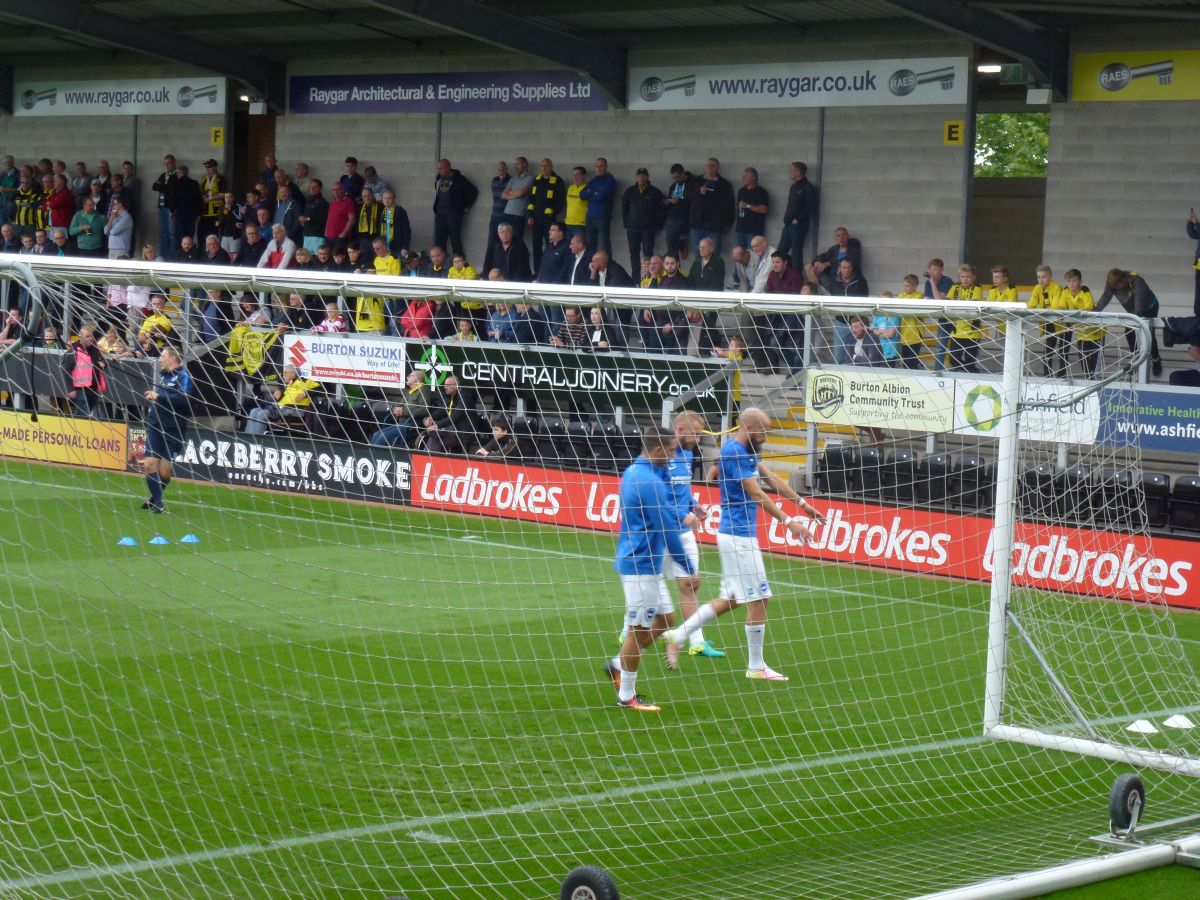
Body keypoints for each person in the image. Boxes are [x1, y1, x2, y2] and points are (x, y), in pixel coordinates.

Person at [666, 409, 822, 681]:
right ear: (750, 428)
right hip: (738, 537)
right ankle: (756, 666)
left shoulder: (748, 450)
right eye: (763, 432)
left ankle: (679, 635)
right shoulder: (734, 453)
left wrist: (804, 505)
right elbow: (757, 493)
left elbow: (771, 479)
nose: (765, 437)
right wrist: (789, 522)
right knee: (760, 599)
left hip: (739, 535)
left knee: (732, 599)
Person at [609, 424, 698, 712]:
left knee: (667, 619)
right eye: (671, 451)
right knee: (637, 631)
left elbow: (668, 512)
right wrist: (687, 565)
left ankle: (616, 665)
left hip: (646, 563)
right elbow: (668, 529)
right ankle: (627, 696)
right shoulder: (648, 481)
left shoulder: (637, 472)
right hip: (641, 564)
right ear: (658, 449)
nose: (674, 457)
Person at [141, 347, 191, 514]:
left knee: (164, 472)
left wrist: (159, 397)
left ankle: (155, 496)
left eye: (163, 356)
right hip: (155, 425)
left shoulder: (184, 377)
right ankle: (159, 503)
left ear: (173, 359)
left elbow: (183, 400)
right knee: (149, 464)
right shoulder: (163, 375)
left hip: (174, 429)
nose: (159, 359)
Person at [1097, 268, 1162, 376]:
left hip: (1149, 307)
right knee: (1129, 332)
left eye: (1117, 286)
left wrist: (1135, 318)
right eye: (1113, 286)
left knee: (1149, 334)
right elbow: (1106, 297)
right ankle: (1136, 359)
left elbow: (1139, 302)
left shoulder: (1137, 281)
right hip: (1132, 309)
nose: (1115, 288)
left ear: (1123, 280)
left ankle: (1156, 359)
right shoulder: (1111, 284)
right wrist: (1096, 310)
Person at [246, 365, 319, 434]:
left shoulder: (305, 382)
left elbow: (321, 389)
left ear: (293, 374)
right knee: (254, 411)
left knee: (262, 414)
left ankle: (257, 439)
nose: (283, 375)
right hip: (279, 409)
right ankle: (248, 437)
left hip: (292, 412)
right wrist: (280, 394)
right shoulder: (288, 384)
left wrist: (304, 394)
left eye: (285, 373)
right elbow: (285, 399)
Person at [1062, 269, 1105, 379]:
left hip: (1095, 332)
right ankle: (1088, 382)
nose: (1071, 283)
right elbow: (1061, 308)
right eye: (1069, 281)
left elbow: (1088, 309)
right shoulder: (1065, 292)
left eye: (1074, 281)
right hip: (1081, 333)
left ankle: (1093, 384)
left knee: (1094, 364)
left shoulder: (1085, 291)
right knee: (1083, 359)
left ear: (1080, 282)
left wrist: (1072, 316)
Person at [621, 167, 663, 277]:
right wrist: (626, 223)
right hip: (633, 228)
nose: (641, 178)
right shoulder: (630, 191)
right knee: (634, 254)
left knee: (648, 253)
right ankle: (635, 277)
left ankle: (648, 276)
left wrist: (658, 224)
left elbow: (662, 209)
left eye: (643, 175)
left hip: (648, 228)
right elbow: (624, 208)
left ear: (647, 177)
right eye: (639, 175)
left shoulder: (654, 191)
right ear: (636, 177)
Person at [689, 157, 735, 256]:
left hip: (715, 225)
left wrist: (727, 223)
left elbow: (730, 205)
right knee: (698, 255)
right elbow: (686, 196)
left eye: (713, 166)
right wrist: (698, 191)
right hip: (697, 224)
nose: (710, 167)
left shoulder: (724, 184)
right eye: (708, 165)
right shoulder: (696, 181)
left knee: (714, 256)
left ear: (717, 168)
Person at [1026, 264, 1064, 378]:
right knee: (1048, 350)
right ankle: (1047, 374)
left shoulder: (1056, 287)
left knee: (1063, 351)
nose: (1041, 280)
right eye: (1038, 277)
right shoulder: (1037, 288)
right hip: (1048, 323)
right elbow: (1031, 304)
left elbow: (1055, 307)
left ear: (1050, 276)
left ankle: (1063, 374)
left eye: (1043, 277)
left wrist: (1041, 311)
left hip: (1061, 323)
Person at [433, 158, 477, 257]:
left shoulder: (459, 179)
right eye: (438, 169)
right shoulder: (439, 179)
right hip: (440, 213)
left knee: (455, 240)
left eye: (441, 168)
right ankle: (441, 267)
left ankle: (460, 266)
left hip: (453, 213)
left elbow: (473, 191)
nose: (439, 171)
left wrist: (466, 206)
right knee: (439, 242)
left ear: (448, 167)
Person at [777, 161, 816, 271]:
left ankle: (796, 277)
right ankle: (780, 275)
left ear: (798, 172)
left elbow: (811, 207)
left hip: (798, 225)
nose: (789, 172)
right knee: (781, 251)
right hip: (788, 224)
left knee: (796, 251)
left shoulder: (808, 187)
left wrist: (798, 219)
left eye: (791, 170)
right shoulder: (794, 187)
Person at [947, 264, 984, 373]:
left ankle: (971, 370)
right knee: (953, 359)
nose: (965, 279)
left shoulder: (977, 288)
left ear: (973, 278)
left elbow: (973, 305)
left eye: (968, 277)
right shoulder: (955, 287)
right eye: (963, 277)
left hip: (972, 332)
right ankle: (973, 370)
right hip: (956, 331)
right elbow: (948, 302)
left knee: (970, 361)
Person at [63, 324, 107, 417]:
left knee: (84, 415)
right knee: (84, 415)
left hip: (94, 388)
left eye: (91, 336)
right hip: (80, 389)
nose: (91, 338)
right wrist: (70, 389)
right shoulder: (74, 351)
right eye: (87, 336)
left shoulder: (95, 350)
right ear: (81, 338)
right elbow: (66, 370)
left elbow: (102, 361)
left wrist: (103, 363)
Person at [806, 226, 863, 292]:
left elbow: (846, 262)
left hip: (844, 280)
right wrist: (817, 262)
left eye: (843, 235)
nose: (841, 238)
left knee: (842, 268)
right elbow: (821, 256)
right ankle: (816, 292)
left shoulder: (854, 250)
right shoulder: (834, 249)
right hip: (830, 278)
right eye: (838, 236)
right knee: (808, 267)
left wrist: (827, 264)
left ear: (848, 236)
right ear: (835, 238)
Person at [580, 157, 617, 255]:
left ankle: (606, 269)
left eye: (601, 166)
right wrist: (594, 192)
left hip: (602, 217)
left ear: (606, 167)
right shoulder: (593, 181)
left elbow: (600, 196)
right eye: (597, 166)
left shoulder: (610, 181)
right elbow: (582, 195)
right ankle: (592, 269)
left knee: (603, 247)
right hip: (590, 217)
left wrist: (590, 194)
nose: (599, 168)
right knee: (590, 246)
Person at [896, 274, 927, 369]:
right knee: (905, 362)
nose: (905, 288)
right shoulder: (901, 296)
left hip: (915, 334)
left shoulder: (919, 296)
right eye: (904, 285)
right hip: (904, 334)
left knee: (912, 361)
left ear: (915, 286)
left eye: (907, 286)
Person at [734, 166, 768, 250]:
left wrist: (747, 205)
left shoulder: (761, 192)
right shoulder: (741, 191)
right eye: (743, 176)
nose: (743, 178)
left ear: (753, 177)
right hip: (740, 229)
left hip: (753, 231)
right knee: (739, 256)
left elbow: (764, 209)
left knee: (753, 256)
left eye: (746, 176)